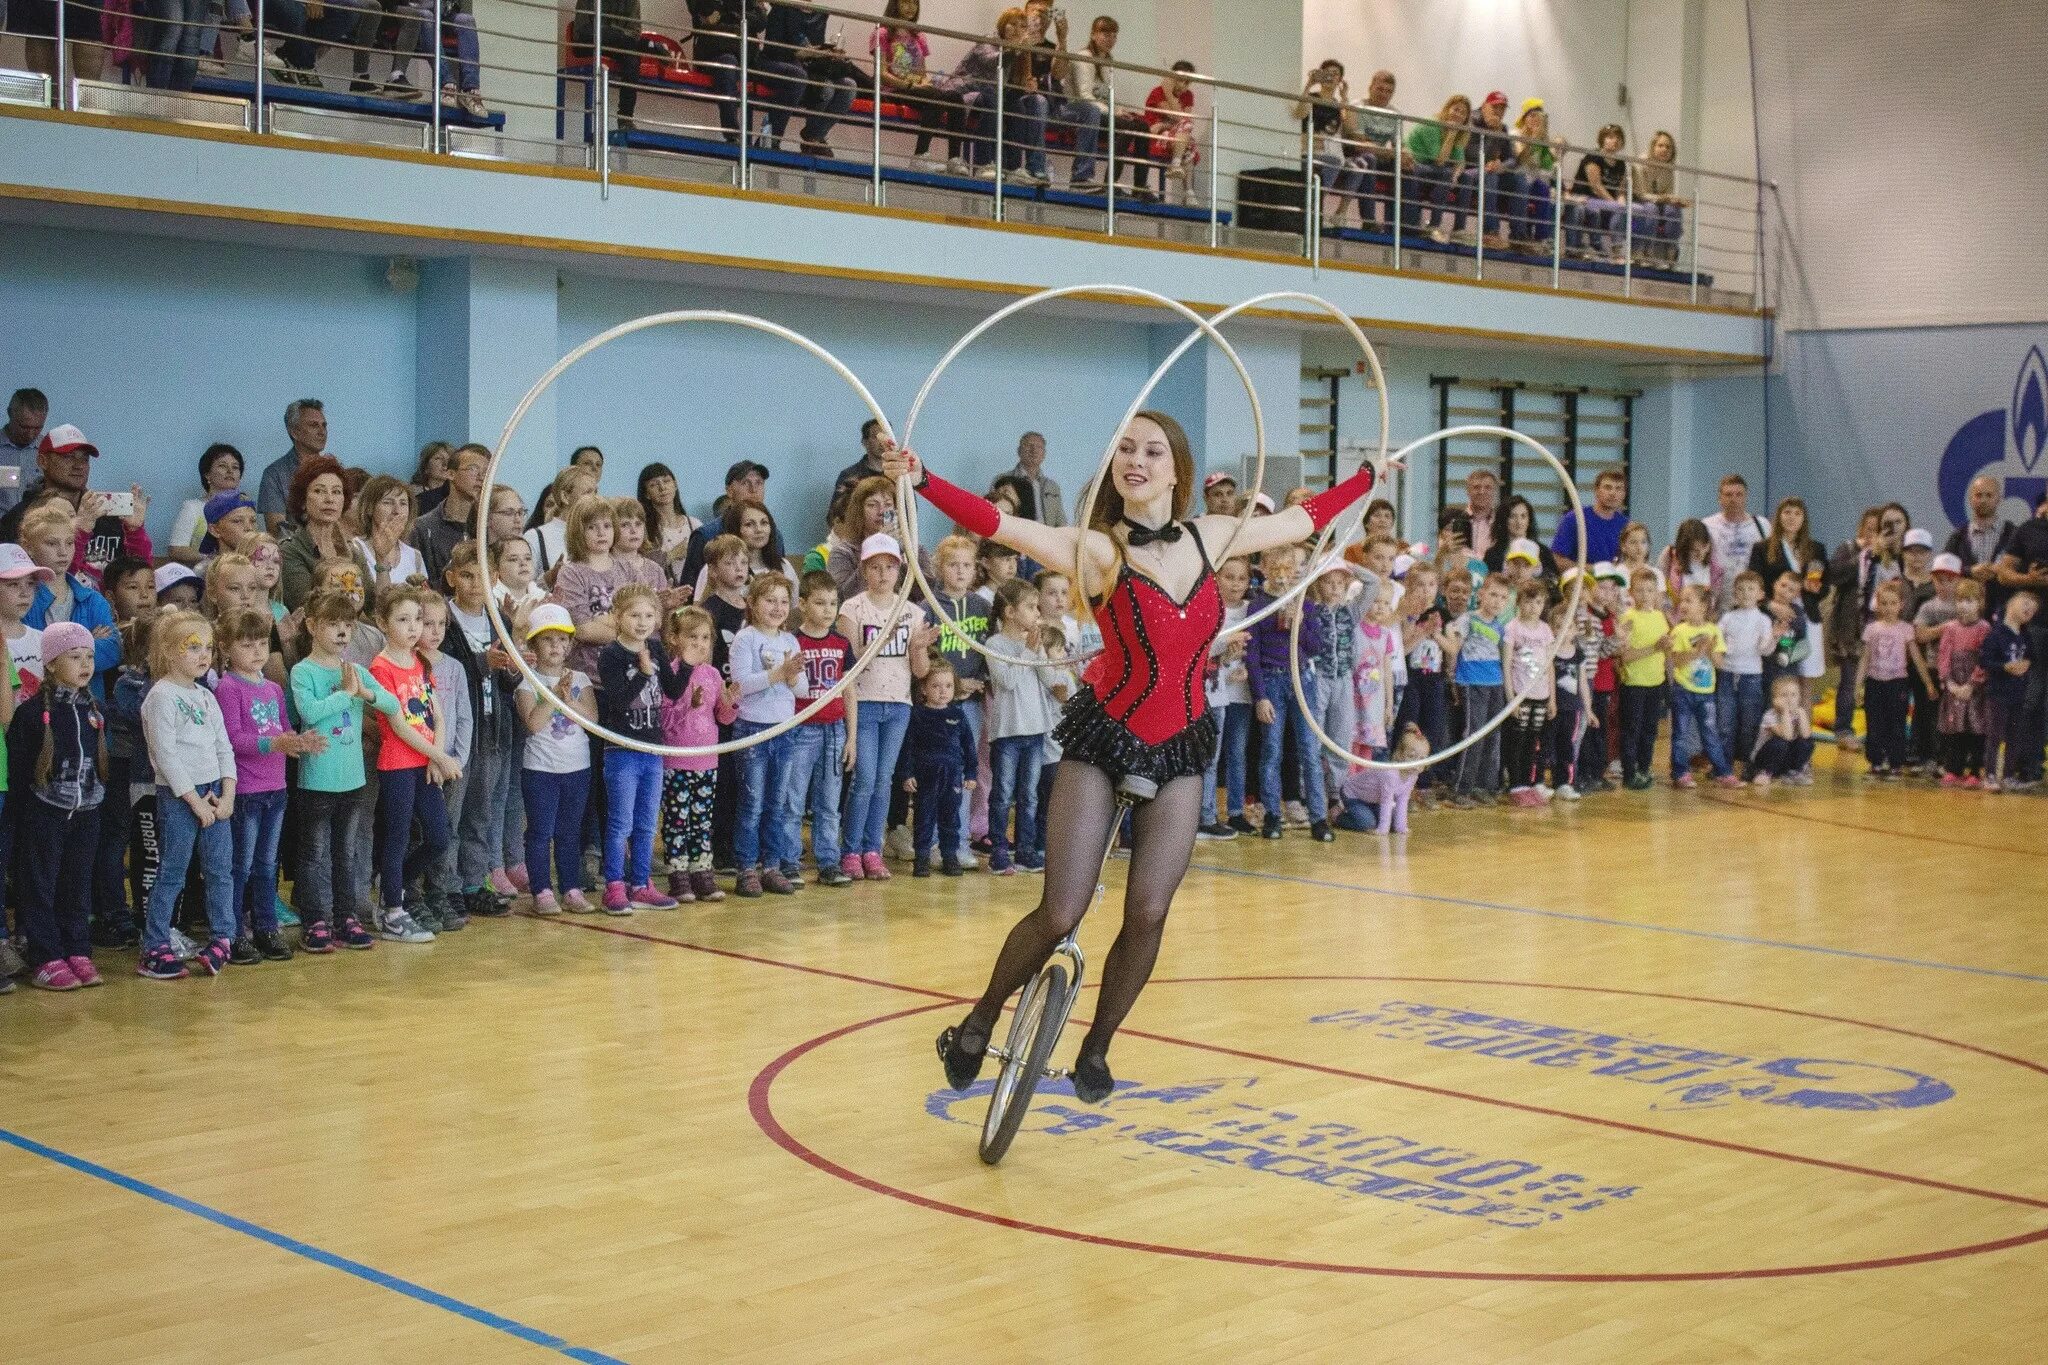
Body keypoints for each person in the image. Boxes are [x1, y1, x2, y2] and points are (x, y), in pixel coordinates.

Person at [893, 409, 1381, 1103]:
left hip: (1181, 745)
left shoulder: (1214, 535)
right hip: (1106, 735)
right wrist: (923, 480)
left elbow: (1301, 524)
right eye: (1125, 447)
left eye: (1153, 450)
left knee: (1149, 908)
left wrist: (1365, 477)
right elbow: (1003, 527)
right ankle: (979, 1017)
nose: (1136, 459)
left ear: (1175, 469)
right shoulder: (1097, 550)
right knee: (1061, 909)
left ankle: (1097, 1044)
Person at [136, 611, 239, 979]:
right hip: (181, 798)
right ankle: (155, 945)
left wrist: (227, 797)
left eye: (208, 647)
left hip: (214, 797)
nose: (203, 654)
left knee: (219, 870)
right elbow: (166, 755)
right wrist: (193, 801)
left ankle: (223, 938)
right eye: (193, 647)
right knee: (173, 872)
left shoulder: (207, 697)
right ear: (168, 650)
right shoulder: (161, 696)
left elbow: (224, 748)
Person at [215, 608, 319, 965]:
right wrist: (275, 745)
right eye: (247, 645)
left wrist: (299, 742)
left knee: (266, 864)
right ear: (227, 648)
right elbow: (232, 739)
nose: (258, 651)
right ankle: (230, 932)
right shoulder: (228, 688)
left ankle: (266, 926)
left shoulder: (274, 688)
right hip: (245, 791)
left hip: (275, 788)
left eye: (262, 643)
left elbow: (282, 729)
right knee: (240, 865)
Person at [290, 589, 391, 953]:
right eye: (333, 624)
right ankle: (315, 919)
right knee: (315, 852)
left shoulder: (357, 671)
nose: (342, 632)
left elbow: (392, 703)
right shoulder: (303, 671)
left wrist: (366, 693)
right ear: (313, 626)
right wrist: (347, 694)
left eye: (347, 624)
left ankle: (345, 916)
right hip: (318, 778)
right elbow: (310, 713)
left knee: (346, 851)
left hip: (353, 778)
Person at [9, 621, 105, 990]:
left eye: (90, 656)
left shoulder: (93, 712)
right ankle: (46, 955)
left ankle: (77, 949)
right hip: (44, 816)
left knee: (77, 883)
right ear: (50, 663)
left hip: (85, 815)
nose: (85, 663)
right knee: (40, 885)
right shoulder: (33, 714)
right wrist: (24, 817)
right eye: (74, 656)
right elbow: (21, 774)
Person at [367, 586, 466, 942]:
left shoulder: (420, 662)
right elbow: (397, 724)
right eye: (403, 620)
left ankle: (395, 885)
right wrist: (439, 756)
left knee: (439, 837)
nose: (413, 628)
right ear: (383, 623)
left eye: (417, 620)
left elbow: (436, 714)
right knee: (397, 838)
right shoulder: (381, 668)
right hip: (397, 764)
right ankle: (393, 912)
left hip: (424, 763)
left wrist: (436, 758)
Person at [837, 533, 932, 880]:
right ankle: (850, 850)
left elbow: (920, 672)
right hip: (863, 700)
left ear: (899, 571)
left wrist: (918, 646)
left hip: (898, 704)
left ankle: (872, 848)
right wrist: (879, 641)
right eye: (875, 567)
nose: (882, 574)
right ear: (864, 570)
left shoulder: (911, 611)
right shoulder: (853, 609)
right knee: (864, 778)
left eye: (889, 567)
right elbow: (850, 662)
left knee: (885, 779)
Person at [440, 543, 522, 918]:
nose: (476, 584)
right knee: (451, 814)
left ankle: (474, 881)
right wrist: (481, 663)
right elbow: (442, 669)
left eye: (484, 575)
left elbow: (507, 683)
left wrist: (514, 668)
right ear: (452, 577)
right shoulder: (444, 620)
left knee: (481, 812)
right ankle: (445, 885)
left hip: (492, 730)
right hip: (457, 734)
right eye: (468, 575)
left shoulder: (499, 620)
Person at [595, 584, 686, 910]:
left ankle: (641, 883)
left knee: (648, 823)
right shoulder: (612, 655)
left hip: (652, 749)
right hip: (622, 750)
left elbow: (673, 691)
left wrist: (685, 665)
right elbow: (617, 700)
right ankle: (614, 886)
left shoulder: (657, 648)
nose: (642, 621)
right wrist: (641, 674)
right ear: (618, 618)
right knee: (621, 822)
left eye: (649, 615)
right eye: (634, 615)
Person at [516, 604, 599, 915]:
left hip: (577, 767)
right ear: (535, 645)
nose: (555, 646)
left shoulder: (579, 678)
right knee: (540, 831)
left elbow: (592, 718)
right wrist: (553, 698)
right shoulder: (528, 681)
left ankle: (571, 888)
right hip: (540, 770)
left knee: (570, 831)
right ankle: (541, 890)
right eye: (547, 640)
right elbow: (534, 723)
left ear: (570, 644)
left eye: (561, 640)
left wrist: (569, 699)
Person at [729, 574, 806, 897]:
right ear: (753, 603)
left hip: (784, 730)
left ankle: (771, 865)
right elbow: (741, 685)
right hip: (752, 730)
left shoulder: (790, 641)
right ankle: (746, 867)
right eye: (770, 600)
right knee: (752, 802)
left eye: (783, 601)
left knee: (777, 802)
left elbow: (802, 687)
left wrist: (789, 678)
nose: (777, 607)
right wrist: (778, 674)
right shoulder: (745, 639)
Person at [0, 425, 152, 586]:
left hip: (107, 608)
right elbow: (34, 586)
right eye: (68, 457)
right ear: (42, 461)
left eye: (84, 459)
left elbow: (141, 578)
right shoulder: (21, 518)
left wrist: (135, 531)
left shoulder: (106, 513)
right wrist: (82, 530)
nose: (79, 465)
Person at [1248, 543, 1330, 837]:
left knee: (1309, 749)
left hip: (1301, 680)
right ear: (1265, 570)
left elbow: (1315, 646)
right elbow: (1252, 654)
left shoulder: (1304, 603)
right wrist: (1260, 696)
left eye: (1288, 569)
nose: (1282, 576)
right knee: (1271, 749)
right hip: (1272, 679)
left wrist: (1301, 622)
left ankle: (1318, 817)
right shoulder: (1258, 606)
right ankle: (1272, 814)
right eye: (1276, 569)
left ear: (1296, 571)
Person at [654, 604, 733, 903]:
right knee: (677, 820)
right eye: (692, 637)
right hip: (677, 760)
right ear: (675, 639)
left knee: (702, 821)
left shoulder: (712, 675)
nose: (700, 645)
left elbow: (723, 718)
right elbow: (665, 722)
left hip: (707, 760)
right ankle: (679, 875)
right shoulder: (669, 673)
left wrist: (731, 702)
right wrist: (690, 705)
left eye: (705, 638)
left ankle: (703, 872)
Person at [783, 573, 855, 889]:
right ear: (802, 604)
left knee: (829, 803)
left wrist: (851, 737)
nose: (827, 610)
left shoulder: (842, 644)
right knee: (793, 800)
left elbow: (849, 690)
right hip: (801, 731)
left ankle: (828, 862)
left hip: (834, 729)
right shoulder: (792, 642)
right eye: (819, 602)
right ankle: (788, 861)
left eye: (832, 603)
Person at [983, 577, 1058, 875]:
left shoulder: (1034, 643)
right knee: (1003, 793)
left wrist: (1044, 655)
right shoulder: (994, 644)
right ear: (1010, 612)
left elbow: (1048, 681)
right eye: (1030, 608)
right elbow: (1007, 682)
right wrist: (1027, 651)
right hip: (1008, 732)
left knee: (1030, 795)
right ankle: (999, 850)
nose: (1036, 614)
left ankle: (1025, 850)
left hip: (1036, 729)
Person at [18, 502, 123, 696]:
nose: (63, 551)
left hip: (89, 710)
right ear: (29, 548)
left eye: (69, 542)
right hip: (34, 704)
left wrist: (52, 654)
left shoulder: (93, 600)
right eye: (52, 543)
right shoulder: (23, 600)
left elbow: (113, 650)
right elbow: (23, 656)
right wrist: (89, 642)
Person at [873, 0, 975, 173]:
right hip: (895, 89)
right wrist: (909, 85)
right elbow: (882, 73)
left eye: (914, 3)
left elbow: (922, 73)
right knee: (934, 99)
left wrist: (925, 84)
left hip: (917, 87)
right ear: (895, 5)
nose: (910, 7)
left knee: (955, 97)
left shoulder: (919, 35)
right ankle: (920, 156)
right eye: (905, 2)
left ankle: (954, 158)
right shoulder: (882, 33)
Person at [1196, 555, 1253, 839]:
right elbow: (1200, 647)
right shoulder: (1205, 609)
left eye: (1241, 578)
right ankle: (1203, 816)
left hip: (1224, 696)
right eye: (1228, 576)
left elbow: (1225, 658)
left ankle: (1220, 813)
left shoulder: (1248, 610)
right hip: (1204, 695)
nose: (1234, 583)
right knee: (1206, 759)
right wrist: (1225, 645)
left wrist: (1233, 658)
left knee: (1225, 756)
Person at [903, 660, 976, 878]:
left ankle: (950, 856)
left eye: (948, 686)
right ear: (924, 689)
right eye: (936, 686)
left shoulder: (959, 715)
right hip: (925, 776)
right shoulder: (917, 715)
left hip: (952, 775)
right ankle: (922, 857)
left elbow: (969, 747)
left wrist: (971, 773)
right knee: (923, 817)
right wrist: (907, 774)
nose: (943, 691)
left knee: (950, 817)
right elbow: (907, 748)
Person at [1444, 573, 1511, 807]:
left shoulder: (1500, 628)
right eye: (1493, 594)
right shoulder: (1468, 619)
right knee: (1474, 735)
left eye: (1503, 598)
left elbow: (1504, 658)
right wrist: (1452, 677)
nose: (1497, 601)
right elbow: (1454, 648)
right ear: (1481, 594)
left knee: (1493, 737)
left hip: (1495, 683)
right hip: (1472, 682)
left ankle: (1485, 786)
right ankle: (1462, 788)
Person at [763, 1, 858, 157]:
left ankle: (814, 136)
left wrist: (828, 53)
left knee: (849, 86)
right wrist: (810, 53)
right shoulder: (782, 8)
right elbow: (774, 49)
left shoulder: (819, 14)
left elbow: (816, 49)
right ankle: (789, 139)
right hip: (785, 64)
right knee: (825, 88)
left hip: (811, 68)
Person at [279, 456, 373, 612]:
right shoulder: (289, 551)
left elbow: (372, 606)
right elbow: (309, 608)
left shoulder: (354, 551)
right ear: (303, 501)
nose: (330, 499)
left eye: (336, 492)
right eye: (319, 491)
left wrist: (382, 562)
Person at [1667, 583, 1738, 788]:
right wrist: (1697, 651)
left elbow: (1719, 663)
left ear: (1704, 606)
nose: (1684, 605)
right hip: (1683, 690)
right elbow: (1677, 660)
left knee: (1710, 732)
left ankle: (1722, 771)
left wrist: (1710, 649)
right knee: (1680, 733)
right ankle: (1680, 771)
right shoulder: (1679, 631)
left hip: (1706, 692)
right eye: (1683, 600)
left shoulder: (1713, 630)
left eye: (1689, 600)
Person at [1500, 580, 1554, 804]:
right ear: (1519, 602)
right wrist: (1511, 697)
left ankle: (1528, 782)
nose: (1534, 607)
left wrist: (1551, 697)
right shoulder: (1513, 628)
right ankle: (1515, 784)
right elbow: (1506, 663)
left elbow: (1550, 663)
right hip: (1520, 693)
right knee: (1517, 739)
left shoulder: (1545, 629)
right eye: (1529, 601)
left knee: (1533, 740)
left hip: (1541, 694)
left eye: (1539, 602)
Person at [406, 442, 487, 588]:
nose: (481, 477)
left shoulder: (487, 525)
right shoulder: (423, 528)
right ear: (450, 474)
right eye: (473, 469)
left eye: (486, 471)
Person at [1617, 568, 1670, 789]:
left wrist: (1669, 673)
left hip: (1655, 682)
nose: (1646, 595)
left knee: (1650, 729)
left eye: (1650, 590)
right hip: (1634, 683)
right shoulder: (1628, 618)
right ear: (1631, 592)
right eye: (1640, 590)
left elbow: (1666, 650)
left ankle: (1644, 767)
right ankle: (1629, 772)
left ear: (1657, 593)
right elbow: (1626, 656)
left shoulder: (1660, 616)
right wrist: (1654, 648)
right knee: (1632, 730)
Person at [1980, 589, 2037, 790]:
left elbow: (2030, 657)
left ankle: (2009, 775)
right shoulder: (1996, 634)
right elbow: (1985, 660)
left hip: (2018, 694)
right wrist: (2004, 667)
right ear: (2010, 604)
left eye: (2033, 608)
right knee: (1995, 735)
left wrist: (2026, 664)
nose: (2029, 608)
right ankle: (1990, 774)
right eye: (2025, 602)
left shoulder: (2025, 635)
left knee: (2014, 735)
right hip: (1998, 693)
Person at [1936, 580, 1991, 785]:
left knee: (1976, 729)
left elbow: (1984, 659)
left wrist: (1971, 685)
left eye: (1969, 601)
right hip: (1954, 687)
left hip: (1974, 690)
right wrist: (1948, 682)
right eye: (1960, 600)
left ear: (1979, 603)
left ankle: (1975, 771)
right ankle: (1954, 768)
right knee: (1954, 729)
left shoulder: (1984, 629)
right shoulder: (1950, 628)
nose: (1963, 605)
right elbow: (1944, 656)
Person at [1718, 570, 1773, 773]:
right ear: (1734, 593)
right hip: (1727, 675)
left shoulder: (1763, 620)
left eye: (1751, 589)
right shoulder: (1728, 617)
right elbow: (1718, 640)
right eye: (1740, 589)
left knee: (1749, 723)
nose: (1745, 593)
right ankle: (1723, 765)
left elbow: (1765, 650)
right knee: (1725, 723)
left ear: (1760, 594)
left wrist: (1774, 637)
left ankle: (1746, 763)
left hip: (1751, 677)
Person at [1404, 94, 1473, 243]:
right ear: (1447, 109)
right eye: (1456, 110)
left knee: (1466, 177)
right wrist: (1451, 134)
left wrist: (1455, 176)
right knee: (1446, 172)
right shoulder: (1432, 125)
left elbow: (1460, 162)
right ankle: (1434, 226)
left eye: (1463, 113)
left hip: (1434, 171)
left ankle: (1459, 229)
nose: (1458, 115)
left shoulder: (1458, 132)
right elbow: (1439, 161)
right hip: (1416, 166)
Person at [168, 443, 247, 566]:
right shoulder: (193, 508)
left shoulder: (245, 510)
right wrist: (212, 559)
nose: (230, 471)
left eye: (235, 467)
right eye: (222, 466)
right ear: (207, 474)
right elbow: (176, 550)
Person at [1946, 473, 2018, 607]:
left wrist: (2003, 569)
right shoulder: (1958, 537)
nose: (1983, 500)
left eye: (1989, 495)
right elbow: (1945, 570)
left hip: (2004, 607)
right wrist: (1970, 571)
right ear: (1970, 499)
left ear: (1999, 499)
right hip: (1965, 611)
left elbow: (2024, 569)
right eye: (1978, 495)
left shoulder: (2014, 534)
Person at [258, 398, 327, 535]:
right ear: (294, 432)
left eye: (324, 425)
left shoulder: (334, 471)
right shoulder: (274, 474)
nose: (322, 431)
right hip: (296, 554)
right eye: (314, 425)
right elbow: (278, 531)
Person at [1701, 475, 1769, 613]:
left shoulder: (1762, 525)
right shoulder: (1707, 526)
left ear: (1746, 497)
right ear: (1720, 498)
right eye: (1728, 494)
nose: (1734, 499)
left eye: (1739, 494)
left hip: (1753, 602)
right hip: (1717, 601)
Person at [354, 474, 425, 601]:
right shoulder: (355, 549)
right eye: (387, 502)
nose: (397, 510)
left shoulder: (415, 556)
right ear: (370, 508)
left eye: (403, 503)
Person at [1566, 124, 1628, 261]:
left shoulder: (1621, 164)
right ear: (1603, 139)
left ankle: (1624, 249)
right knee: (1614, 209)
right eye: (1610, 137)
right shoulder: (1593, 157)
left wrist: (1621, 200)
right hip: (1587, 197)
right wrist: (1615, 203)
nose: (1615, 141)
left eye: (1618, 138)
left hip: (1606, 202)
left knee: (1629, 210)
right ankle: (1604, 247)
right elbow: (1596, 186)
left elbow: (1621, 190)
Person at [526, 466, 598, 581]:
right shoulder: (535, 536)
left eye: (596, 492)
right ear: (565, 497)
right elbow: (522, 587)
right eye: (588, 492)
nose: (596, 499)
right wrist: (549, 578)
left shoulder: (600, 534)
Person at [1552, 466, 1628, 569]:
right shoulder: (1575, 518)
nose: (1613, 493)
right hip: (1581, 582)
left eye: (1618, 489)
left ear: (1624, 494)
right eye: (1608, 487)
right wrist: (1594, 570)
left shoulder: (1626, 525)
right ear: (1596, 490)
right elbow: (1557, 559)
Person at [1631, 130, 1688, 267]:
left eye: (1668, 147)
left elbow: (1668, 193)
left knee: (1673, 210)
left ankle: (1671, 250)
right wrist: (1663, 198)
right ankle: (1646, 250)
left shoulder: (1669, 168)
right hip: (1639, 201)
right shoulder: (1640, 163)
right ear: (1653, 146)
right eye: (1661, 145)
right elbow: (1640, 193)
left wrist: (1674, 200)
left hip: (1659, 202)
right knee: (1651, 209)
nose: (1664, 150)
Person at [1508, 98, 1557, 246]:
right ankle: (1519, 234)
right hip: (1515, 179)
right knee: (1528, 185)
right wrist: (1533, 139)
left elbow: (1547, 168)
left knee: (1545, 190)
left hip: (1534, 182)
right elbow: (1519, 159)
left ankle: (1542, 238)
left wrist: (1545, 143)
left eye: (1539, 117)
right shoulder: (1515, 133)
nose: (1535, 120)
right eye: (1532, 116)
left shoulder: (1542, 141)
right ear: (1524, 118)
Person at [1749, 675, 1814, 786]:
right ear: (1775, 699)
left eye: (1794, 695)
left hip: (1783, 760)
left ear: (1799, 697)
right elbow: (1787, 736)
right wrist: (1784, 711)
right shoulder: (1770, 716)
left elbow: (1806, 735)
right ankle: (1765, 772)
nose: (1789, 699)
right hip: (1765, 759)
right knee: (1780, 743)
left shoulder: (1799, 713)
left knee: (1807, 742)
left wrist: (1802, 712)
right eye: (1784, 695)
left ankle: (1794, 771)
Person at [638, 462, 700, 562]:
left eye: (666, 481)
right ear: (646, 494)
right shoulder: (643, 531)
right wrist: (670, 555)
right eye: (653, 485)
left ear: (675, 485)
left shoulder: (694, 525)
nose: (662, 488)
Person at [1004, 431, 1069, 527]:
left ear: (1044, 454)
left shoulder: (1052, 486)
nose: (1034, 450)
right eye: (1029, 445)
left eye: (1039, 447)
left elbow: (1061, 521)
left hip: (1047, 538)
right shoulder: (1003, 481)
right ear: (1019, 451)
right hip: (1016, 538)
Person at [0, 387, 48, 516]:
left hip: (36, 530)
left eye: (38, 428)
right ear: (10, 413)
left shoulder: (50, 452)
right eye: (24, 427)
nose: (30, 434)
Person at [410, 440, 453, 513]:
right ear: (426, 467)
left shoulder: (456, 494)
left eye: (449, 460)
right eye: (438, 458)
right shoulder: (412, 494)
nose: (445, 464)